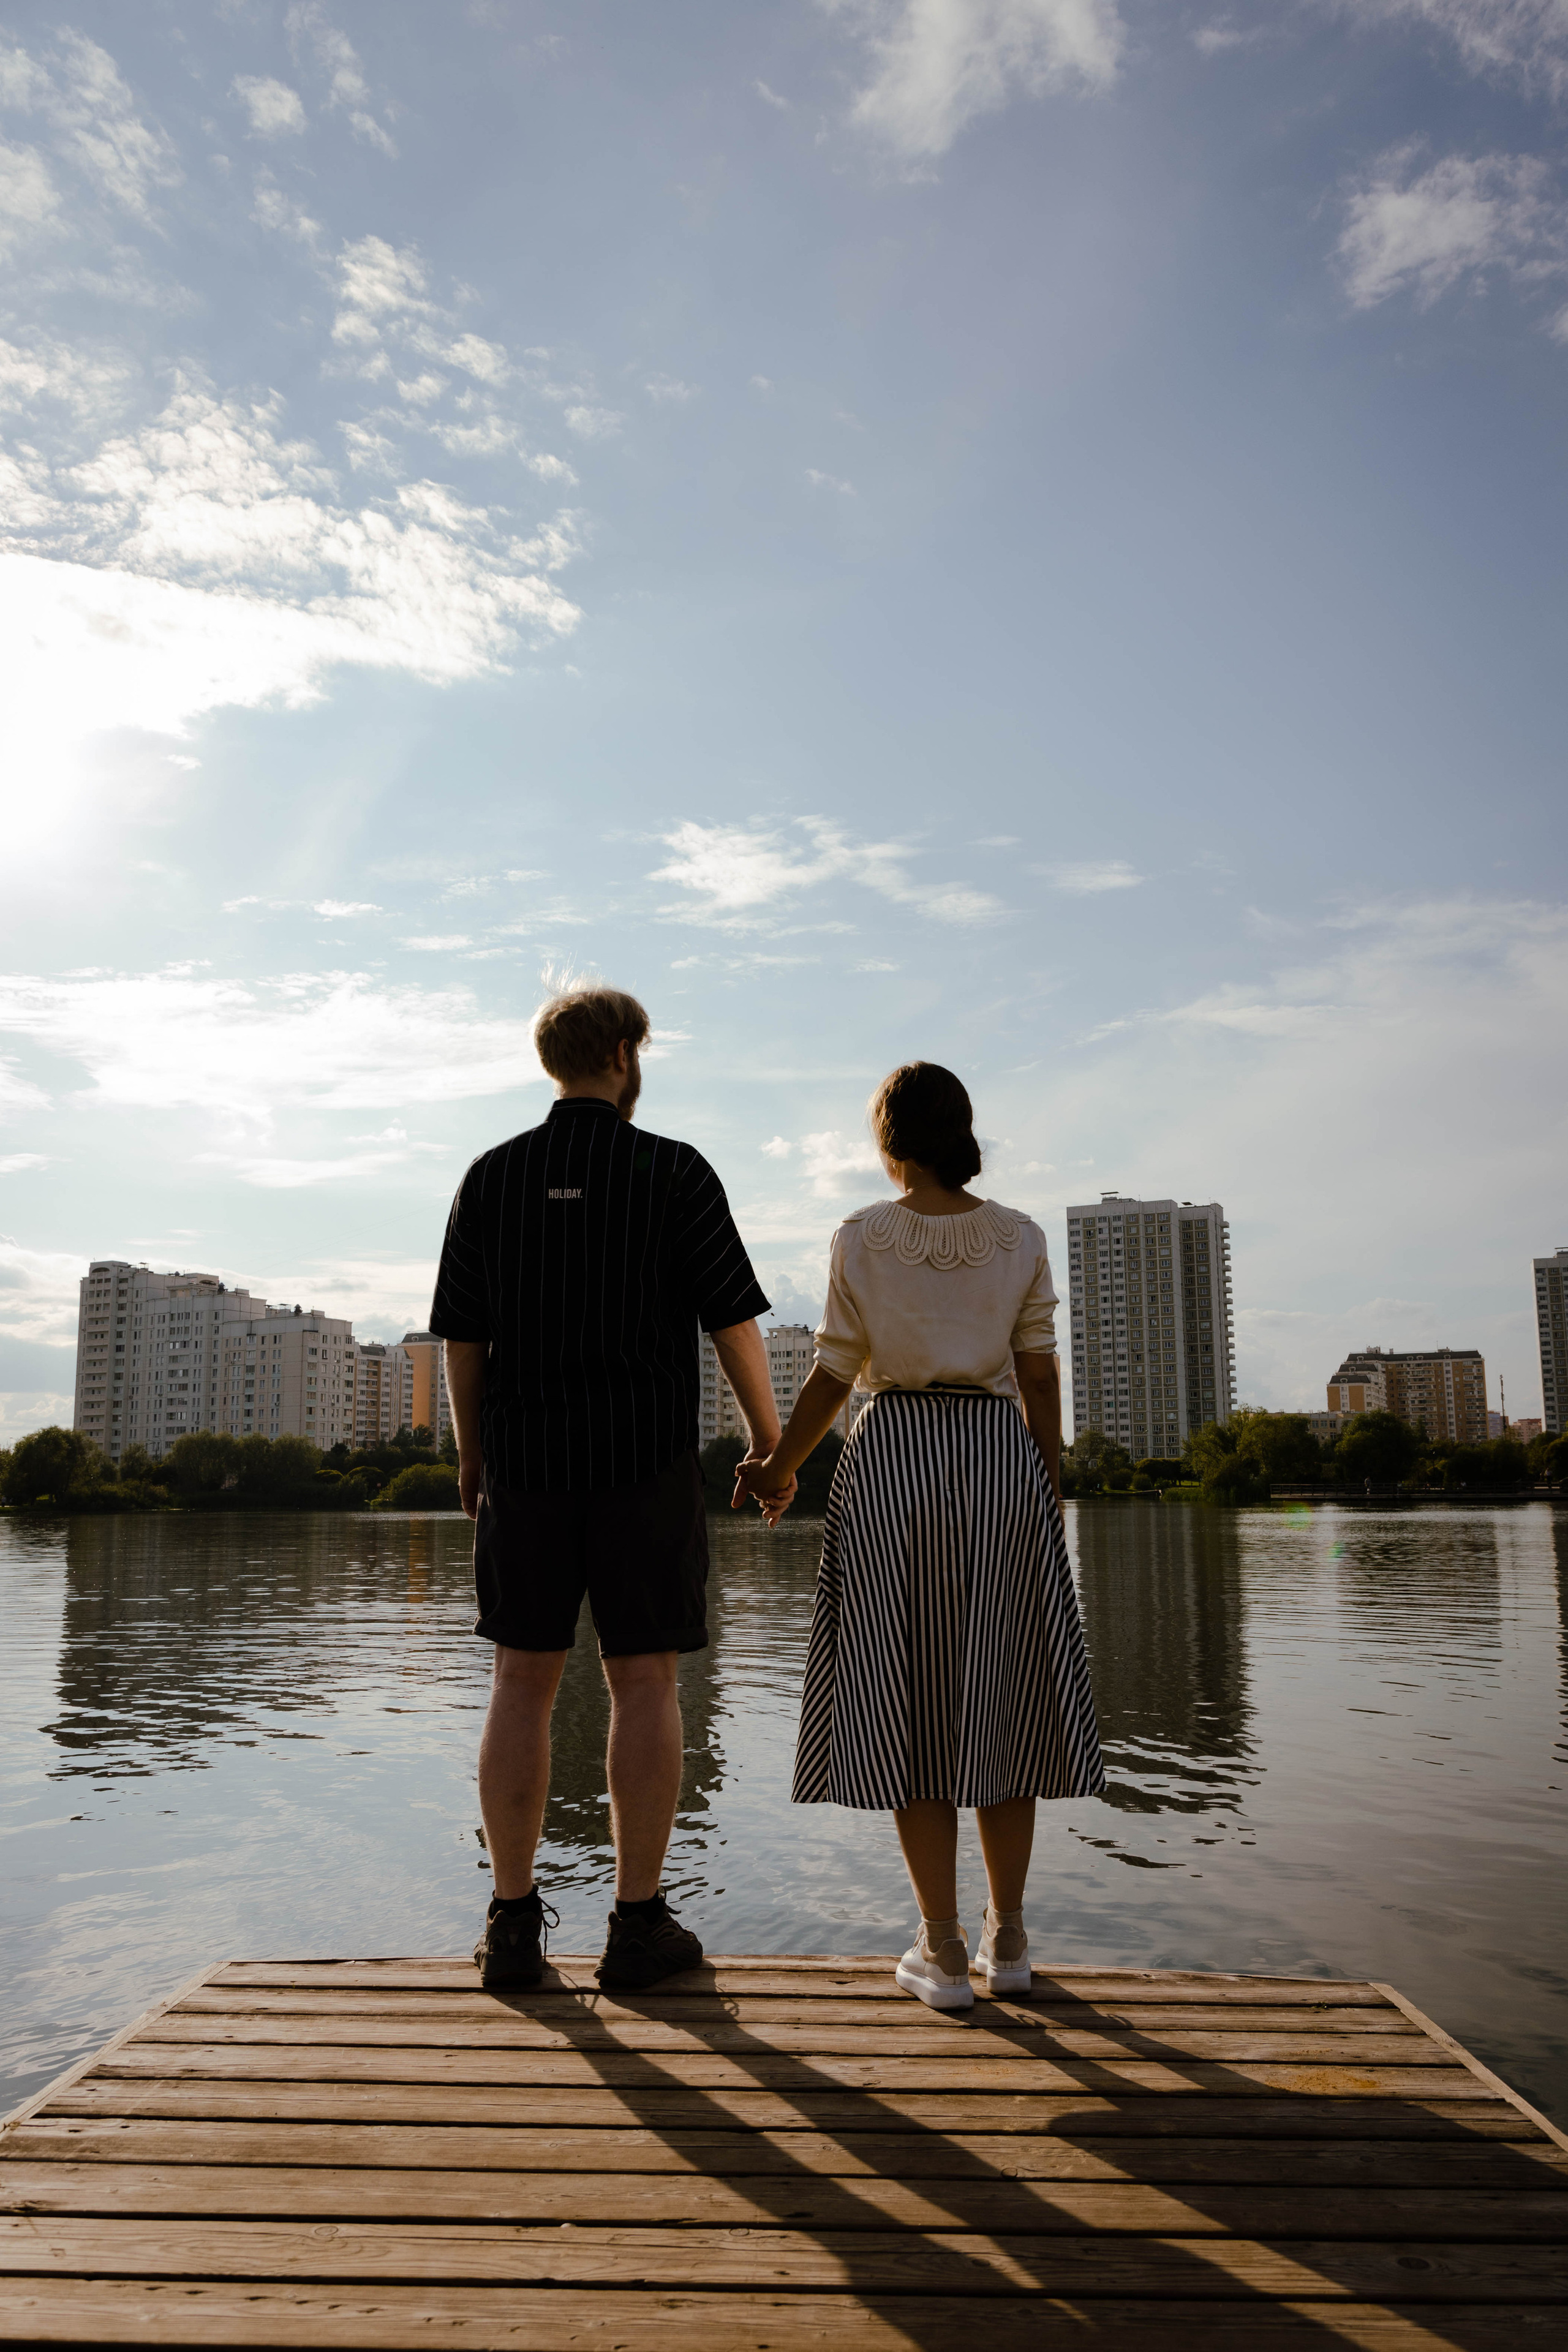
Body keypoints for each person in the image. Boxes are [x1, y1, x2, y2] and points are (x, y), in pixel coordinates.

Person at [432, 986, 785, 1993]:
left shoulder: (493, 1176)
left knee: (519, 1684)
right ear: (625, 1055)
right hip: (644, 1467)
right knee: (645, 1683)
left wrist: (471, 1457)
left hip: (527, 1469)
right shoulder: (671, 1169)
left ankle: (510, 1927)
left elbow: (464, 1336)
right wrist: (770, 1442)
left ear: (553, 1061)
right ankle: (636, 1927)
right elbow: (734, 1325)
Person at [736, 1061, 1104, 2010]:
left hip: (891, 1456)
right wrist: (1044, 1490)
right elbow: (1040, 1379)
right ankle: (1010, 1943)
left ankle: (941, 1955)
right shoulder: (1018, 1236)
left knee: (911, 1702)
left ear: (889, 1141)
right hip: (996, 1461)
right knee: (1004, 1698)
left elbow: (831, 1376)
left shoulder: (861, 1236)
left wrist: (778, 1467)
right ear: (963, 1134)